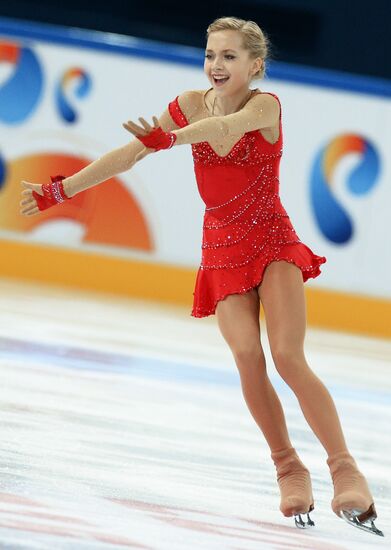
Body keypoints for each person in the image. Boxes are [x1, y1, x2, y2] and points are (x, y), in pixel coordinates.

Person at [20, 16, 383, 536]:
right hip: (221, 249)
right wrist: (63, 190)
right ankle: (288, 469)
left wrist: (171, 140)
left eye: (230, 56)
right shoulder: (189, 103)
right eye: (211, 54)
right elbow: (129, 153)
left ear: (255, 64)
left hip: (271, 242)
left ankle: (345, 470)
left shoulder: (265, 106)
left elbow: (223, 129)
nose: (217, 65)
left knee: (286, 355)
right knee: (246, 358)